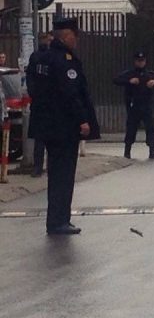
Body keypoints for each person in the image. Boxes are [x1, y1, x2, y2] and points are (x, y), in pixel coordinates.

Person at [28, 18, 100, 235]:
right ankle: (59, 221)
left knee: (55, 173)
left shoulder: (40, 58)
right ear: (67, 36)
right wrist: (83, 120)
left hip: (46, 124)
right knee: (63, 175)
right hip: (64, 126)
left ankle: (56, 219)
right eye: (75, 36)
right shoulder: (64, 60)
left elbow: (33, 88)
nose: (76, 40)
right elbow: (71, 93)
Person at [113, 52, 154, 159]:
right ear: (135, 61)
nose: (140, 63)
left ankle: (152, 150)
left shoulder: (149, 74)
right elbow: (116, 80)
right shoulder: (130, 73)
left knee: (150, 128)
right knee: (131, 128)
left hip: (147, 105)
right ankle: (127, 151)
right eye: (138, 61)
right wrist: (129, 81)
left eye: (142, 61)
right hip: (134, 105)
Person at [28, 32, 53, 177]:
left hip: (44, 103)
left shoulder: (50, 57)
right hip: (43, 103)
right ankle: (41, 166)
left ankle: (42, 167)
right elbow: (30, 76)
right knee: (42, 139)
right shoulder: (37, 57)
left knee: (44, 139)